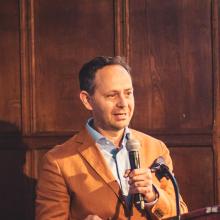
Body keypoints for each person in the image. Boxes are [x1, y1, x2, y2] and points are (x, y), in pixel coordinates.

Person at [36, 56, 188, 220]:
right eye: (112, 95)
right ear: (87, 100)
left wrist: (153, 196)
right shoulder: (58, 161)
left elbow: (181, 213)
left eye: (128, 93)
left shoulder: (156, 148)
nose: (123, 103)